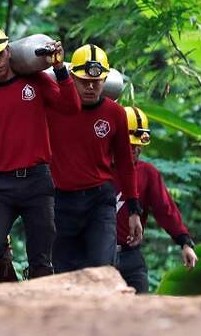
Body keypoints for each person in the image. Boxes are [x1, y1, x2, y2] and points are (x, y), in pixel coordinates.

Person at [0, 23, 79, 282]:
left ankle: (40, 307)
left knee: (41, 258)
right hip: (2, 184)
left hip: (38, 180)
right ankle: (10, 289)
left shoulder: (35, 81)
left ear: (9, 51)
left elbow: (71, 108)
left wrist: (60, 70)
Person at [46, 44, 142, 273]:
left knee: (103, 266)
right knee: (63, 271)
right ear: (72, 78)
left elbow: (126, 165)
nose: (90, 87)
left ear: (105, 80)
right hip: (61, 201)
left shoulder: (116, 114)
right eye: (83, 81)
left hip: (99, 201)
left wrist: (133, 210)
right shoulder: (54, 108)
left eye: (96, 82)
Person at [114, 107, 198, 293]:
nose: (136, 149)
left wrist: (184, 242)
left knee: (141, 308)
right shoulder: (96, 170)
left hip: (130, 256)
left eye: (139, 144)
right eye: (130, 144)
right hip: (97, 257)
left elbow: (165, 209)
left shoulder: (147, 173)